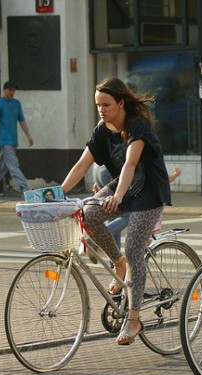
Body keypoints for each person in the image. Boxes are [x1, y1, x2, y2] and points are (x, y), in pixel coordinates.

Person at [60, 77, 171, 346]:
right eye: (98, 104)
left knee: (134, 248)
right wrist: (57, 194)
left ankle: (133, 319)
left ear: (121, 103)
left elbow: (131, 163)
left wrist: (119, 195)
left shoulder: (137, 126)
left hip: (149, 191)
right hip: (122, 186)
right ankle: (118, 264)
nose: (101, 109)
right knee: (88, 213)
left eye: (106, 104)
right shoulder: (102, 130)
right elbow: (82, 164)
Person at [94, 164, 181, 250]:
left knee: (112, 212)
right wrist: (175, 175)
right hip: (116, 172)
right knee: (128, 215)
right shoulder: (150, 156)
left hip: (99, 169)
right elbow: (161, 179)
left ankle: (115, 260)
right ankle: (95, 240)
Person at [0, 81, 34, 197]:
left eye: (13, 90)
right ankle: (25, 189)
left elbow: (22, 121)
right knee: (13, 164)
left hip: (13, 139)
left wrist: (28, 136)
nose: (12, 92)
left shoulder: (16, 103)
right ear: (4, 90)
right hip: (4, 139)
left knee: (3, 165)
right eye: (10, 90)